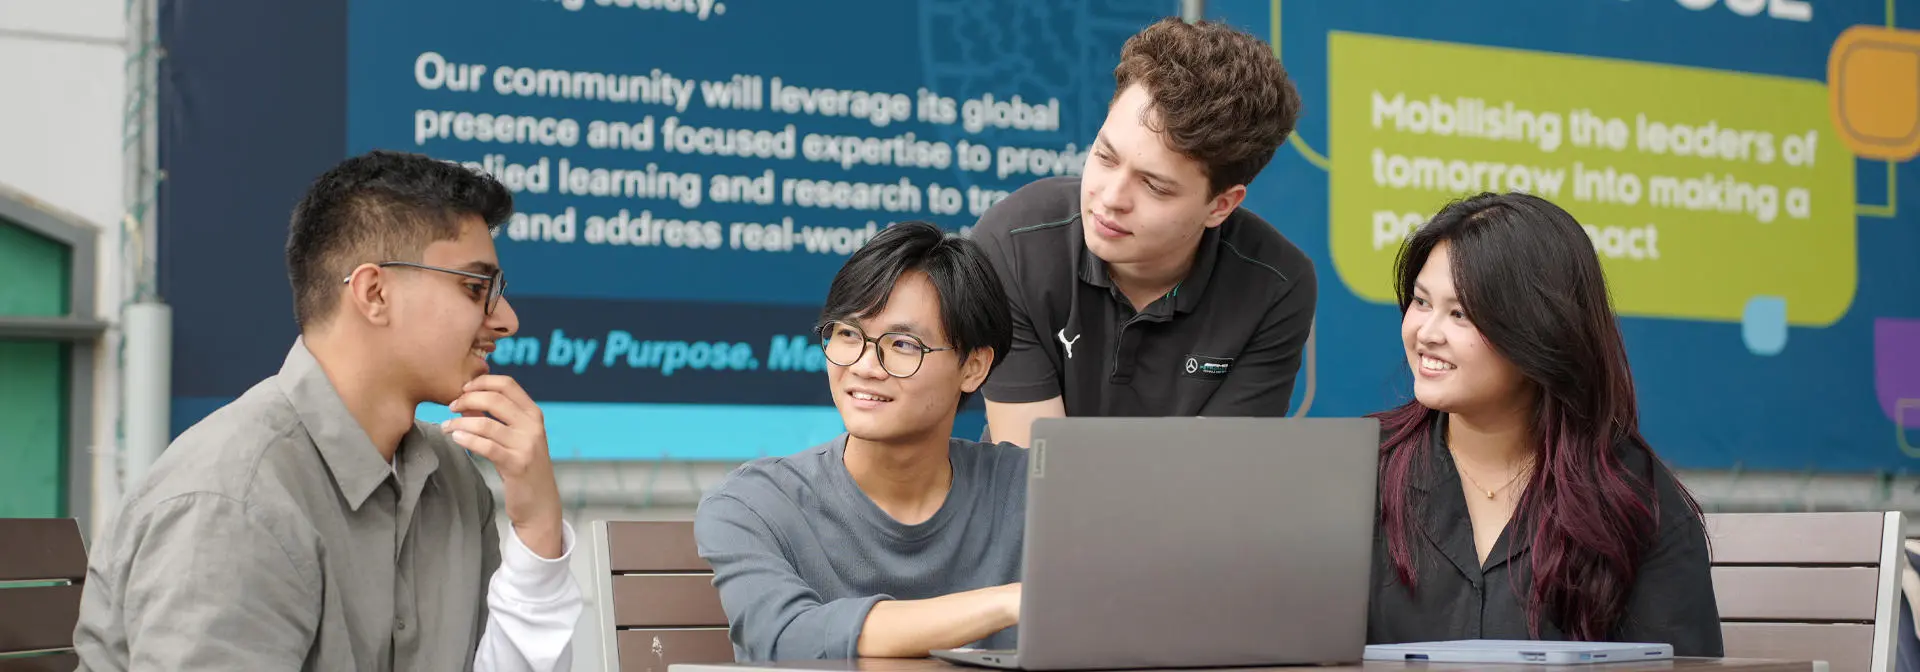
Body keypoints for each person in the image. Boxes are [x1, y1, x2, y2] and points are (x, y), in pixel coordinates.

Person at [72, 150, 583, 671]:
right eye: (476, 288)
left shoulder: (451, 479)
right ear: (374, 293)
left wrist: (539, 527)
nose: (508, 320)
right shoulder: (233, 499)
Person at [1366, 192, 1722, 655]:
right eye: (1420, 302)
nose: (1427, 333)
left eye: (1460, 314)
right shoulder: (1359, 469)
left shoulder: (1636, 500)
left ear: (1538, 330)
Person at [971, 17, 1317, 448]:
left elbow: (1212, 478)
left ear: (1221, 205)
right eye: (1105, 155)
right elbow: (1035, 476)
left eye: (1153, 186)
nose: (1111, 197)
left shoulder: (1278, 286)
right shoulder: (1013, 242)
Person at [694, 221, 1026, 661]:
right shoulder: (754, 504)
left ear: (973, 367)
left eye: (903, 344)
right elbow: (787, 638)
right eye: (848, 334)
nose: (866, 365)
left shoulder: (1029, 491)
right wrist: (1006, 602)